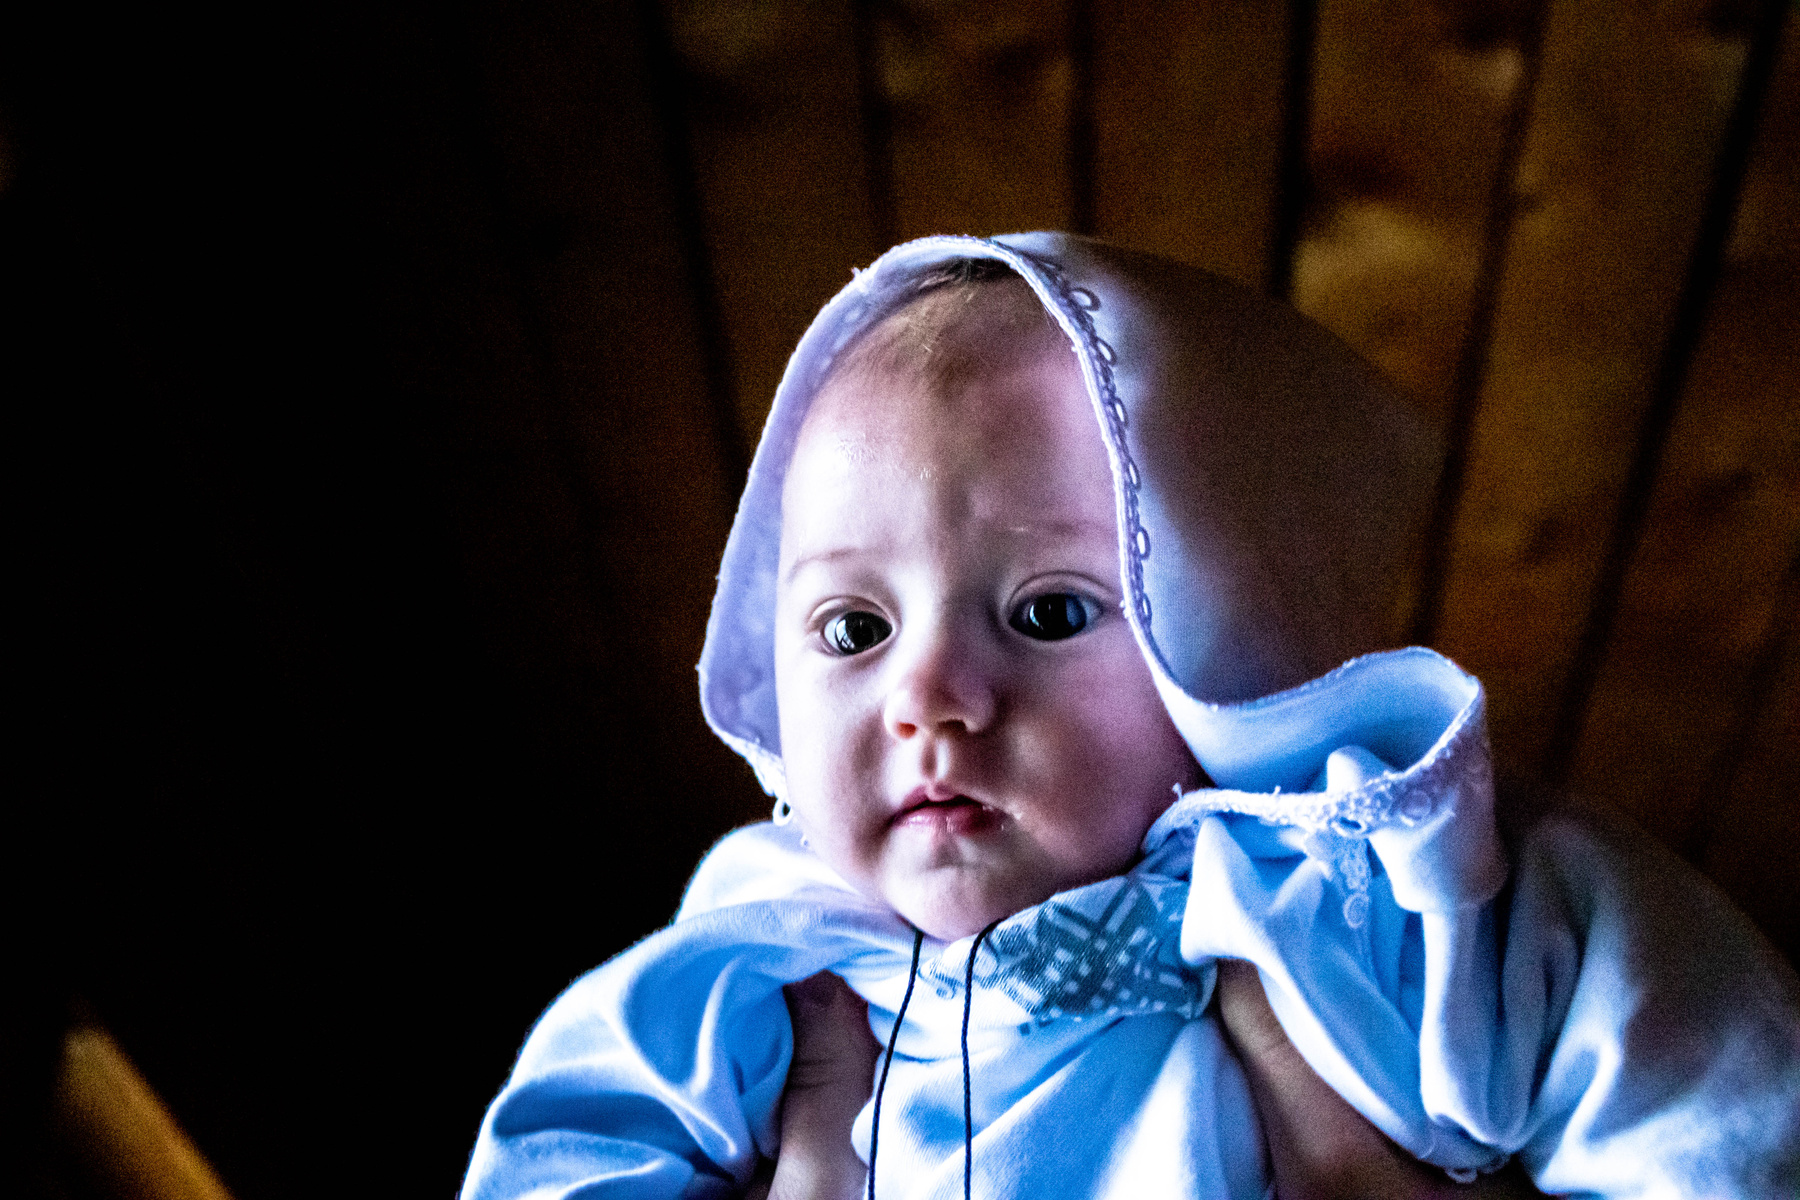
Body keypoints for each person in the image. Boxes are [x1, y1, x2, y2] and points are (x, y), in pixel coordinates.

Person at [460, 234, 1800, 1200]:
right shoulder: (759, 957)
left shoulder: (1392, 894)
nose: (927, 700)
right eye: (855, 630)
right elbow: (560, 1156)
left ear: (1239, 644)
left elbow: (1711, 1105)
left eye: (1049, 612)